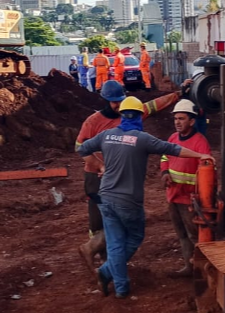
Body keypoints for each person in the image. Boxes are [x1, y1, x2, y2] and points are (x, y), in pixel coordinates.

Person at [77, 96, 213, 298]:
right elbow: (171, 149)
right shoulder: (142, 139)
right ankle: (107, 273)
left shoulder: (107, 135)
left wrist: (101, 166)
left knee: (115, 242)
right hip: (128, 201)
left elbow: (82, 148)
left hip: (106, 197)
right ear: (140, 116)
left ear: (122, 115)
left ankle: (120, 287)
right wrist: (199, 156)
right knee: (135, 236)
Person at [73, 80, 180, 271]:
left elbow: (153, 105)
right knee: (100, 218)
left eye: (121, 101)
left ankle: (108, 262)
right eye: (115, 102)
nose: (119, 105)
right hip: (96, 176)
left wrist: (178, 94)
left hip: (117, 176)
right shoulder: (93, 122)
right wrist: (99, 165)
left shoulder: (128, 113)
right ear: (105, 100)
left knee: (116, 216)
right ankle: (99, 255)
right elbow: (80, 147)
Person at [160, 98, 211, 275]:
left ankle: (201, 269)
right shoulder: (173, 138)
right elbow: (165, 158)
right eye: (175, 119)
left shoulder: (200, 142)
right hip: (173, 196)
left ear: (191, 121)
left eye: (181, 119)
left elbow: (207, 170)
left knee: (194, 235)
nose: (177, 122)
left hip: (188, 199)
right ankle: (189, 267)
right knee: (181, 235)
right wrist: (165, 173)